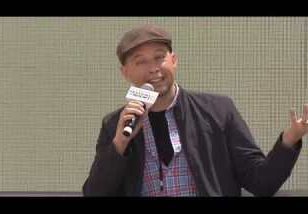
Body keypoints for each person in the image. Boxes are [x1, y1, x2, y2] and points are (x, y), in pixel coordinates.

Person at [83, 24, 308, 196]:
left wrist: (290, 140)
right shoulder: (116, 124)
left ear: (174, 60)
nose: (153, 68)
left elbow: (261, 182)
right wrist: (120, 144)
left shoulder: (218, 111)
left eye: (160, 57)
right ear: (125, 72)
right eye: (140, 61)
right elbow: (95, 193)